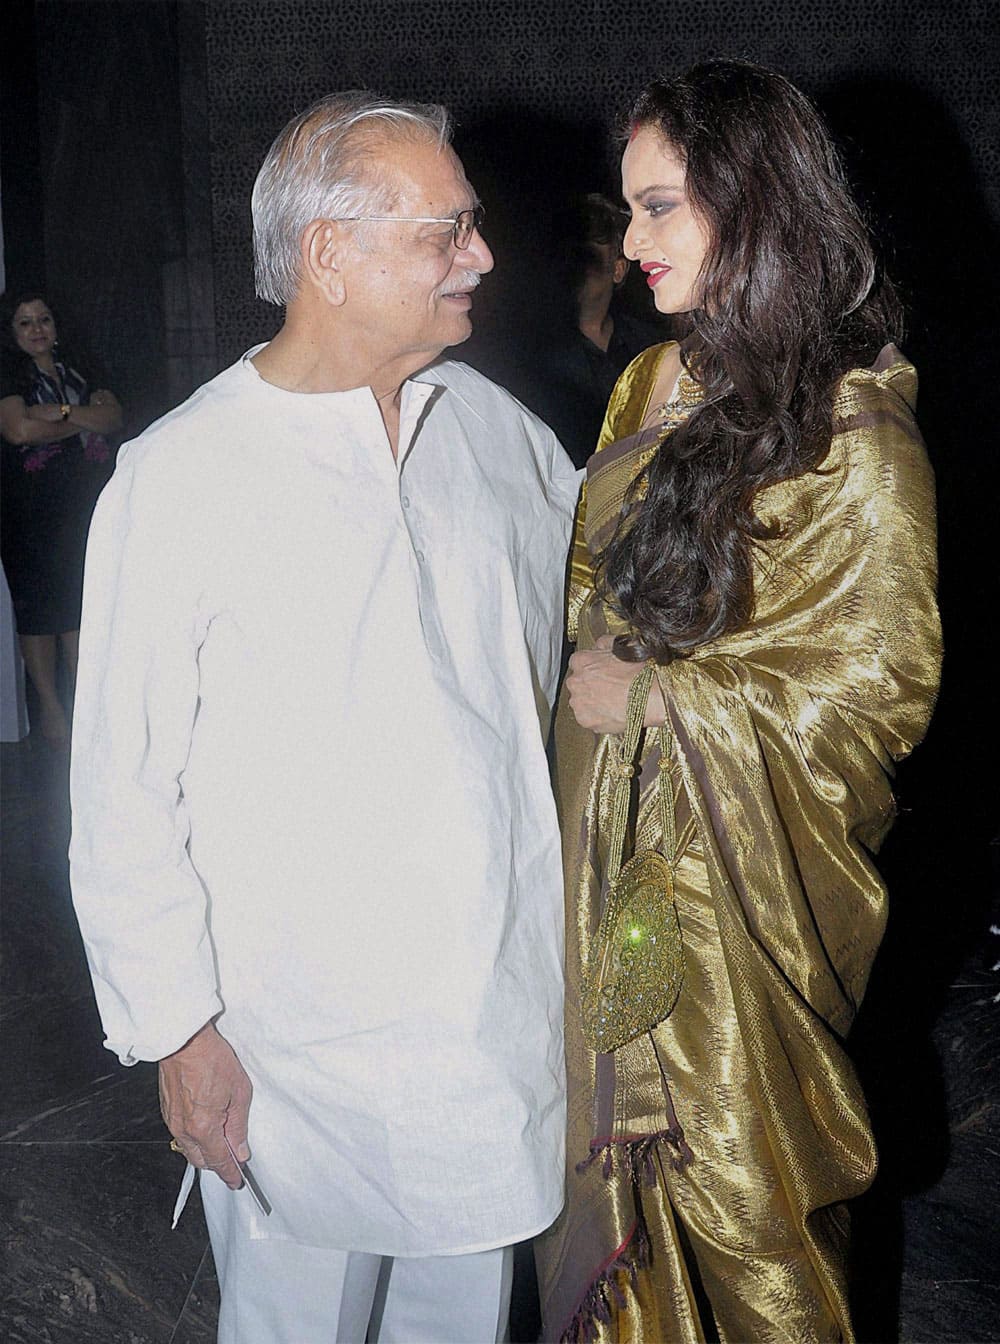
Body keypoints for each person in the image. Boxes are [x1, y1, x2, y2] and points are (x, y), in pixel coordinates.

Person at [69, 93, 580, 1343]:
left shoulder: (505, 442)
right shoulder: (182, 476)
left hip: (488, 1028)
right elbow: (122, 787)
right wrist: (179, 1031)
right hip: (296, 1050)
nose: (483, 256)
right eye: (444, 231)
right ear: (329, 256)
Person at [534, 60, 941, 1344]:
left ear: (755, 206)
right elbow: (584, 570)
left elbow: (876, 686)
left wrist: (667, 702)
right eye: (627, 211)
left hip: (727, 905)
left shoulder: (856, 431)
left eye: (660, 208)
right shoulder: (648, 384)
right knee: (610, 1182)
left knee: (733, 1188)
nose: (632, 241)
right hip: (597, 861)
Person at [1, 294, 122, 741]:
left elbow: (113, 418)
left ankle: (85, 711)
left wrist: (65, 413)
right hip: (28, 516)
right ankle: (52, 714)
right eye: (24, 322)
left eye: (44, 319)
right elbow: (18, 430)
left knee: (79, 607)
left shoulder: (80, 370)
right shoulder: (9, 374)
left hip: (80, 510)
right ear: (11, 333)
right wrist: (83, 421)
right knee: (38, 613)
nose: (37, 329)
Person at [527, 194, 663, 468]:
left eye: (588, 254)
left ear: (619, 269)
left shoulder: (653, 347)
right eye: (568, 252)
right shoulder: (530, 357)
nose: (575, 265)